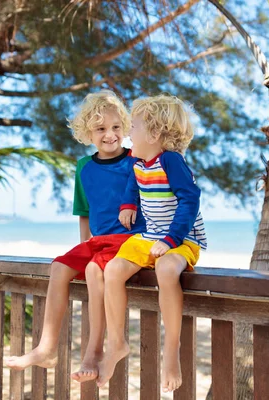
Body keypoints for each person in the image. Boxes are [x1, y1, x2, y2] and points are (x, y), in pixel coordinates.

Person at [4, 90, 145, 384]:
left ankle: (93, 352)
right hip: (98, 241)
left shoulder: (136, 160)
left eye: (116, 127)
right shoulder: (84, 166)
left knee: (96, 271)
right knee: (58, 267)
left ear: (126, 127)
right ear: (87, 133)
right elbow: (84, 210)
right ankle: (46, 348)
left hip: (128, 241)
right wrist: (84, 247)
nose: (110, 134)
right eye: (101, 129)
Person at [96, 95, 206, 393]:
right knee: (114, 270)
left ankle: (171, 349)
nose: (129, 133)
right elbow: (135, 181)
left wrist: (171, 240)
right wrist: (127, 204)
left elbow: (190, 199)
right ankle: (117, 342)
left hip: (180, 238)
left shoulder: (172, 161)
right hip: (150, 236)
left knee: (167, 271)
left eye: (134, 127)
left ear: (155, 134)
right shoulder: (139, 161)